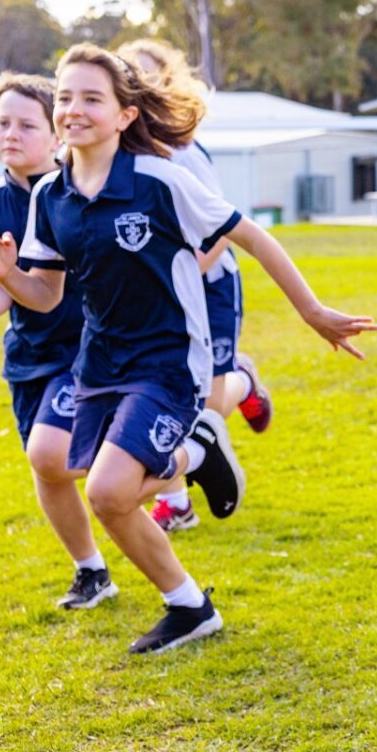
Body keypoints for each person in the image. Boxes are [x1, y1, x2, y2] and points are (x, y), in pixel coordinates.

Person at [0, 44, 377, 653]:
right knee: (99, 488)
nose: (73, 109)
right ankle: (190, 604)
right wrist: (6, 276)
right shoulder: (49, 198)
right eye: (64, 97)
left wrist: (312, 310)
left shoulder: (160, 181)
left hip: (169, 363)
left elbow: (251, 235)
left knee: (108, 490)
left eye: (92, 98)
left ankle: (194, 457)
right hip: (100, 364)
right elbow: (47, 297)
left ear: (125, 115)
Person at [0, 74, 113, 610]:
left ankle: (166, 465)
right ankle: (91, 570)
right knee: (45, 465)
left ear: (55, 136)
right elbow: (5, 283)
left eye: (27, 124)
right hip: (29, 356)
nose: (11, 134)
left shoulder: (78, 193)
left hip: (87, 351)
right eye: (3, 123)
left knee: (55, 453)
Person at [118, 39, 273, 536]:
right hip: (161, 296)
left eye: (146, 76)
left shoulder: (184, 152)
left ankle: (243, 381)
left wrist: (179, 273)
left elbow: (223, 231)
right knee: (164, 398)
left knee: (202, 403)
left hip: (209, 285)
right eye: (127, 76)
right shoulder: (119, 155)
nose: (137, 85)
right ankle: (178, 504)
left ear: (168, 84)